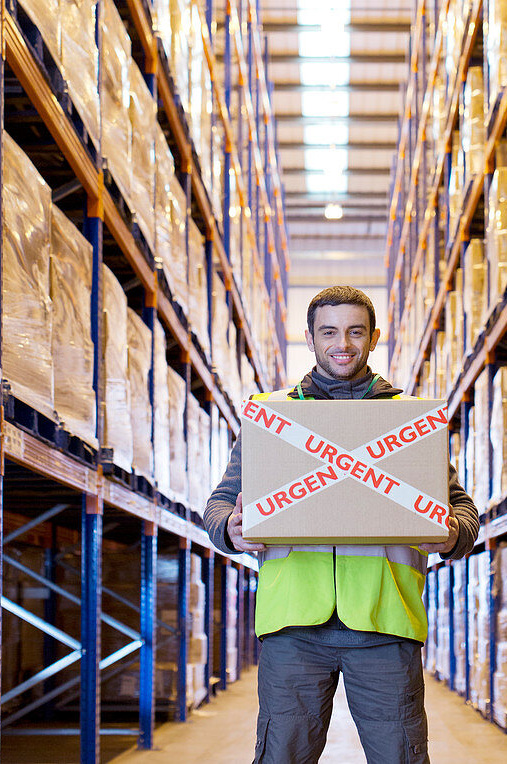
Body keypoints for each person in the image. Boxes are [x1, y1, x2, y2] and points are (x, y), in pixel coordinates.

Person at [203, 285, 480, 764]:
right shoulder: (273, 417)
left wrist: (452, 533)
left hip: (385, 623)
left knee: (401, 757)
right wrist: (229, 527)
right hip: (293, 627)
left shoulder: (408, 421)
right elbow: (221, 502)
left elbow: (461, 508)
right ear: (309, 339)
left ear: (374, 338)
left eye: (355, 332)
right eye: (329, 332)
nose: (343, 344)